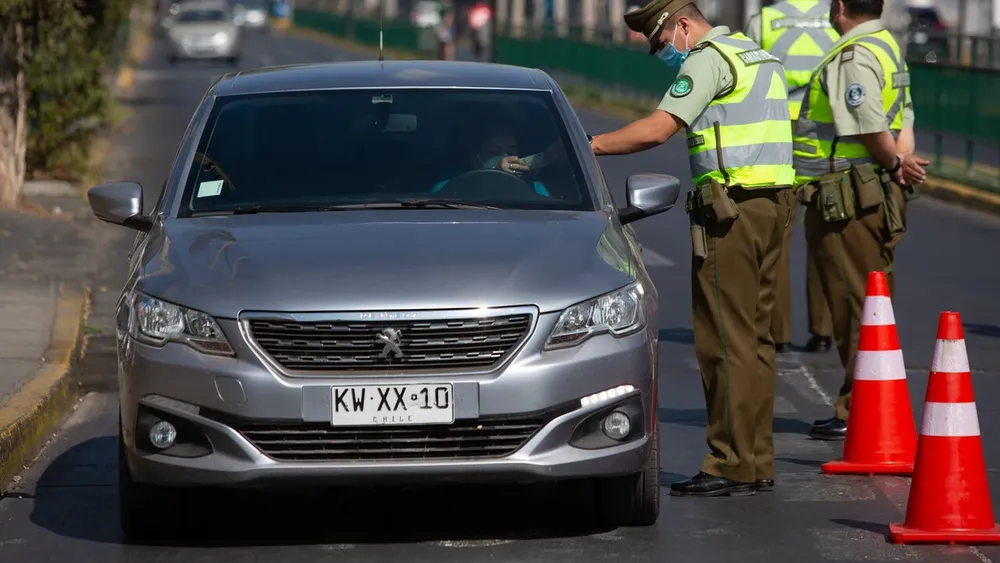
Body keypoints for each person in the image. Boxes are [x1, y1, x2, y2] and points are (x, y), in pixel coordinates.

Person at [590, 0, 795, 497]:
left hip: (732, 212)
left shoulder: (707, 57)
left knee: (724, 340)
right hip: (777, 205)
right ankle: (756, 460)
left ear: (682, 24)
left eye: (661, 43)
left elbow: (659, 128)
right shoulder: (753, 54)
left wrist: (588, 142)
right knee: (757, 340)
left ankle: (728, 461)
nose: (663, 53)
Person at [790, 0, 928, 440]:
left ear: (840, 7)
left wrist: (892, 164)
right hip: (875, 189)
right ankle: (868, 401)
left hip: (850, 195)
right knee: (872, 301)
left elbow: (868, 125)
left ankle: (857, 408)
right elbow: (903, 115)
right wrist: (901, 161)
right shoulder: (887, 46)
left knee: (853, 304)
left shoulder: (853, 55)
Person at [745, 0, 838, 355]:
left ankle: (777, 332)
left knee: (776, 241)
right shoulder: (834, 16)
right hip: (821, 139)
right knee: (824, 237)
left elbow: (752, 80)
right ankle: (824, 329)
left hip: (778, 138)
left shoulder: (765, 20)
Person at [430, 129, 553, 196]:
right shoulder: (449, 188)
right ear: (475, 157)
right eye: (494, 152)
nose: (504, 158)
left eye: (510, 151)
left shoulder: (535, 189)